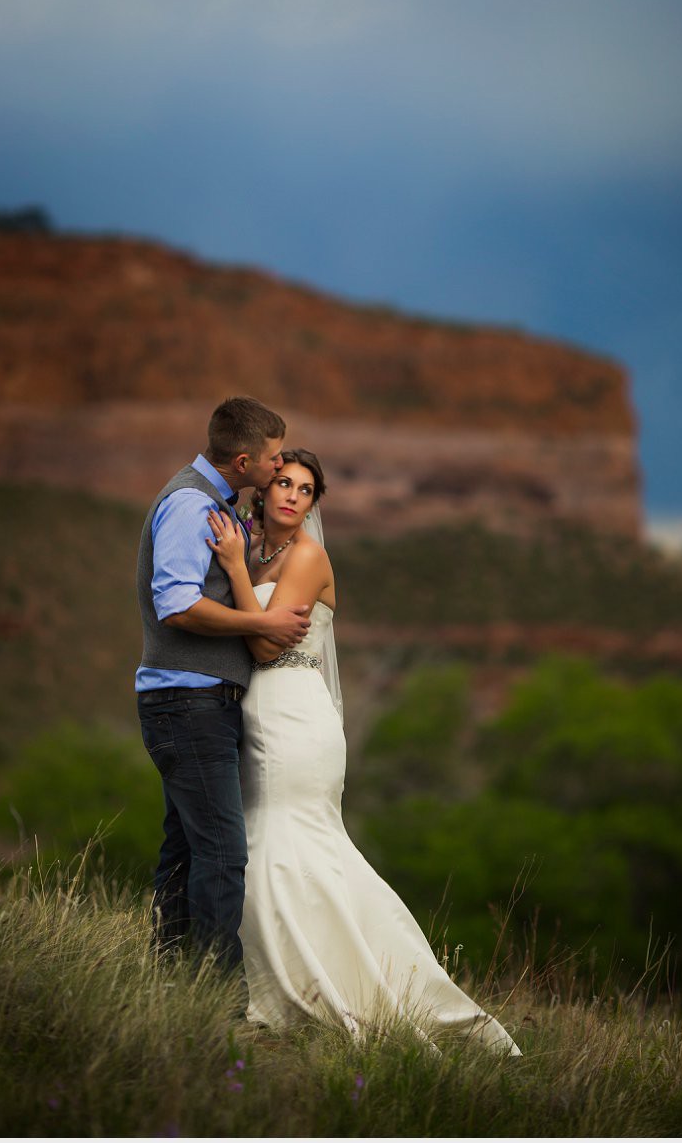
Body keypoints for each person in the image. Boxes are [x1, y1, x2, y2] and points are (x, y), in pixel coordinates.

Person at [205, 448, 520, 1056]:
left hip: (295, 715)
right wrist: (240, 566)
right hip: (257, 714)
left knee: (279, 841)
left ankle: (315, 990)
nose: (293, 495)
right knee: (275, 843)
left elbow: (268, 650)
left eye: (306, 489)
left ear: (315, 503)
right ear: (262, 491)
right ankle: (294, 979)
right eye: (283, 484)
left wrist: (237, 570)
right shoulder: (256, 547)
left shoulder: (307, 556)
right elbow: (251, 630)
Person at [135, 398, 313, 974]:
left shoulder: (218, 505)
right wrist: (262, 622)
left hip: (196, 702)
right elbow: (178, 605)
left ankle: (167, 980)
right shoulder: (191, 504)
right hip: (187, 702)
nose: (280, 466)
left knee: (187, 850)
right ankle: (215, 994)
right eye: (273, 458)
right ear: (243, 462)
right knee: (222, 852)